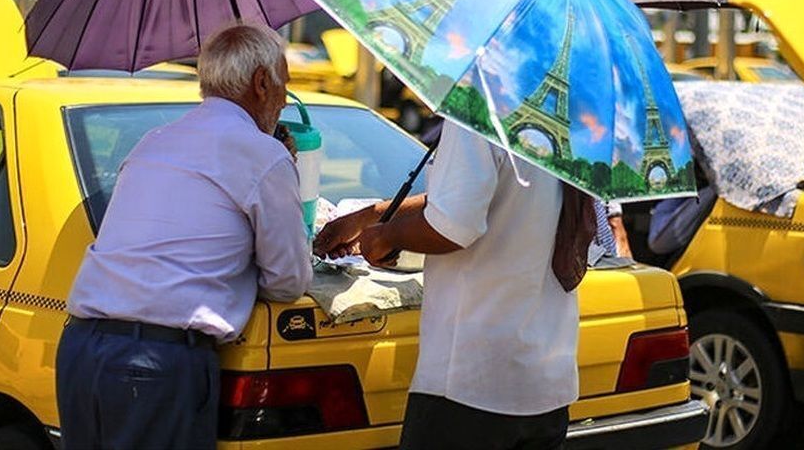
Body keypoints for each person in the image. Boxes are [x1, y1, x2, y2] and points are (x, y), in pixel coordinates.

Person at [56, 24, 313, 450]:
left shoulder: (154, 140)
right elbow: (288, 281)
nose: (285, 99)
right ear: (261, 83)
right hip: (156, 363)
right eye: (284, 84)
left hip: (82, 350)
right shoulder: (263, 154)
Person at [314, 124, 579, 450]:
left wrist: (386, 236)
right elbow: (467, 196)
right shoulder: (562, 116)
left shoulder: (479, 110)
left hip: (472, 383)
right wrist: (371, 216)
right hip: (546, 384)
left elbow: (454, 225)